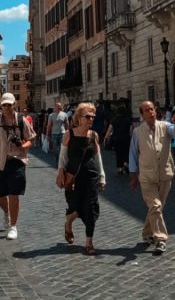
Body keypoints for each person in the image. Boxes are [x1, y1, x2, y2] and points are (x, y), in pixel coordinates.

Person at [129, 101, 175, 255]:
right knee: (155, 206)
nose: (151, 112)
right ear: (142, 114)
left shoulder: (166, 126)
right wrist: (133, 175)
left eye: (152, 109)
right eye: (147, 110)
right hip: (147, 176)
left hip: (165, 174)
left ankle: (147, 233)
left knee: (157, 207)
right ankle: (160, 239)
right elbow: (133, 154)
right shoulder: (137, 132)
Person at [0, 92, 36, 240]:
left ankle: (13, 226)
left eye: (9, 104)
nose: (6, 107)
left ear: (14, 105)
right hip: (0, 162)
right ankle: (7, 212)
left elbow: (32, 139)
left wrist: (23, 145)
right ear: (1, 106)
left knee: (14, 194)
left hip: (17, 161)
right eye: (4, 105)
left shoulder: (21, 120)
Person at [59, 102, 106, 255]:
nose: (91, 119)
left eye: (93, 116)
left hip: (91, 177)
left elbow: (97, 157)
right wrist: (60, 172)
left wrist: (102, 176)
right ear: (79, 118)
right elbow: (63, 157)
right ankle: (68, 223)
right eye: (88, 116)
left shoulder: (94, 135)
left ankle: (89, 242)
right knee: (76, 207)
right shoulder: (69, 135)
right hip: (73, 178)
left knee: (92, 208)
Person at [106, 104, 133, 174]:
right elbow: (130, 131)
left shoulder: (114, 119)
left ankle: (120, 168)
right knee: (126, 153)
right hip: (126, 139)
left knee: (118, 153)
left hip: (116, 139)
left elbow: (109, 130)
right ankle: (126, 164)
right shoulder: (128, 119)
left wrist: (106, 137)